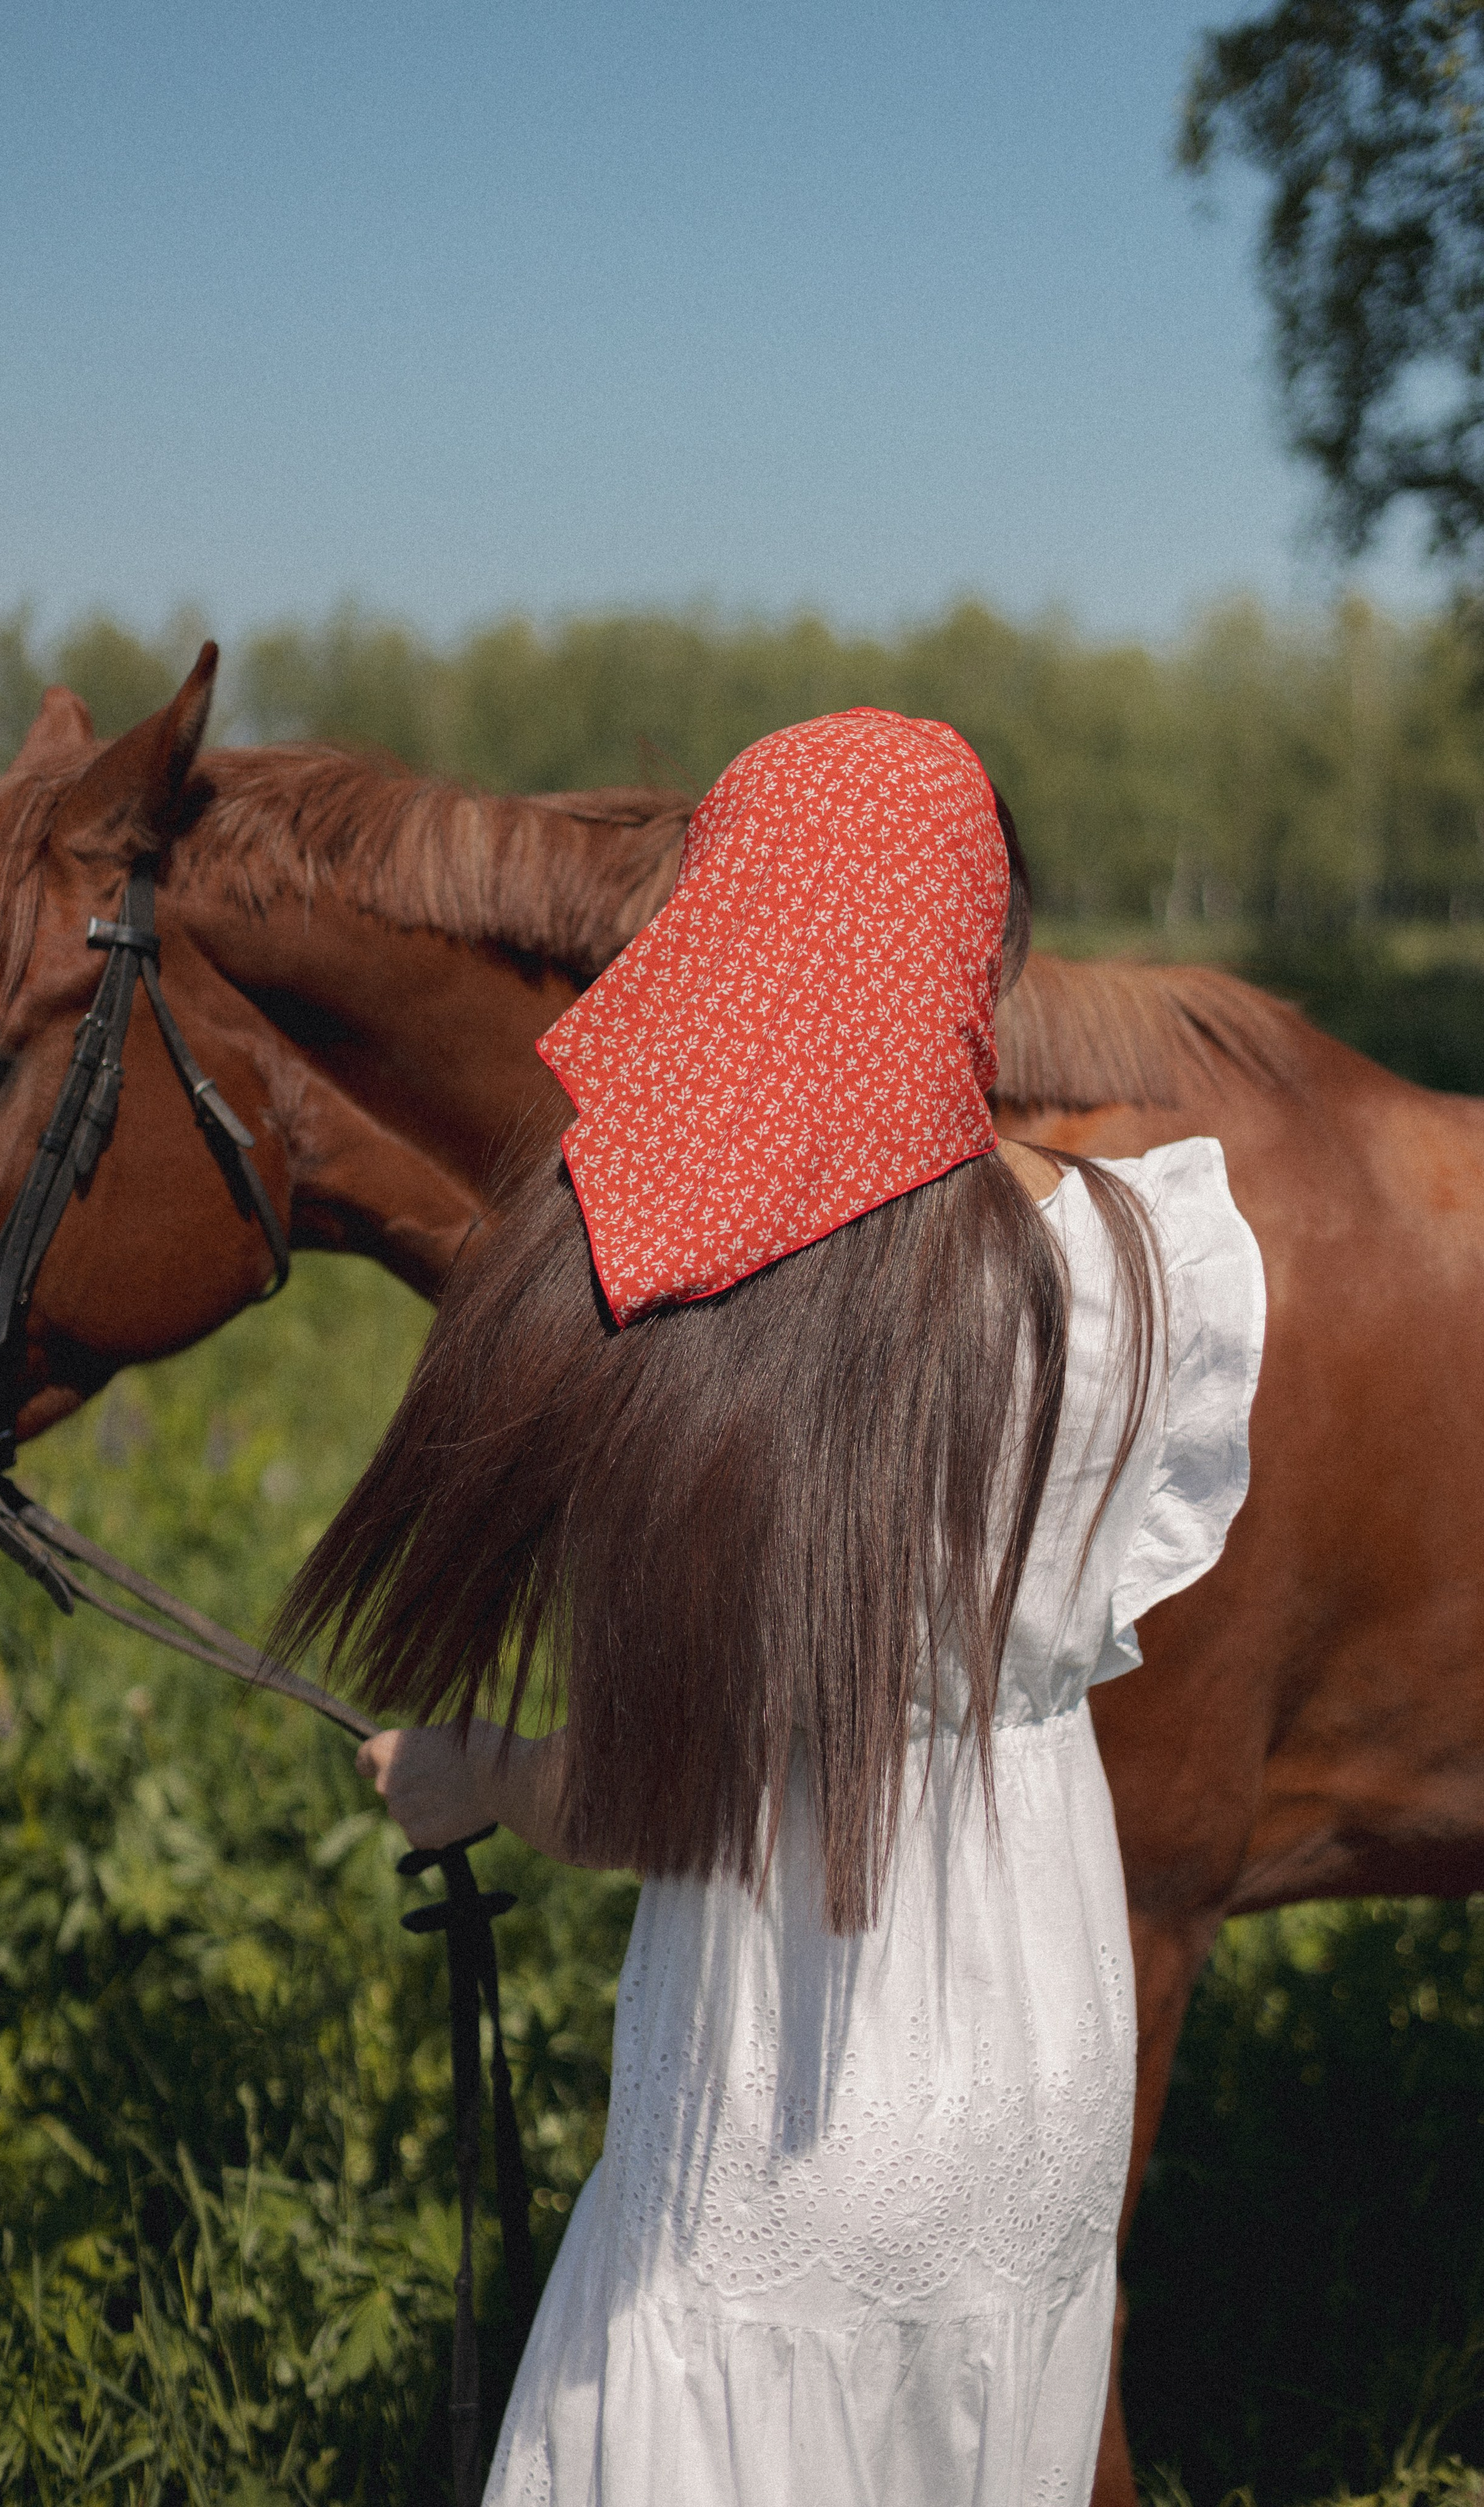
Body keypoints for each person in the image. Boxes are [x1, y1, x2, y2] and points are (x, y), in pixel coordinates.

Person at [274, 710, 1265, 2507]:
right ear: (988, 959)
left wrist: (478, 1775)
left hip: (794, 2107)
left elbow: (657, 1794)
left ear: (732, 941)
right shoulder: (1145, 1265)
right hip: (1042, 2077)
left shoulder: (704, 1311)